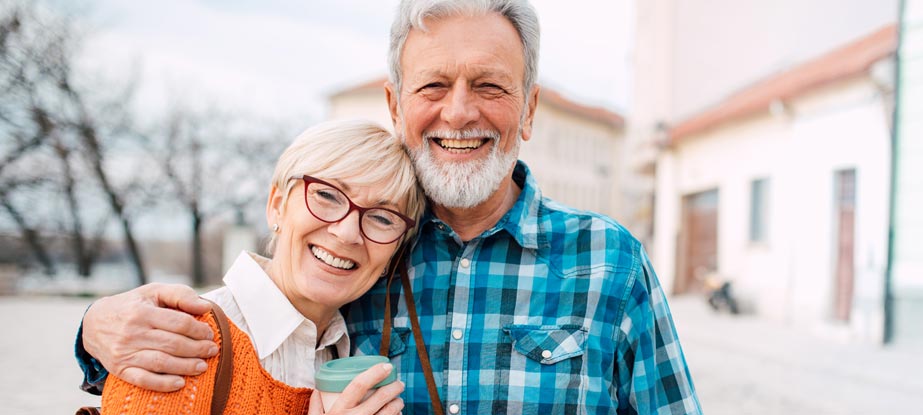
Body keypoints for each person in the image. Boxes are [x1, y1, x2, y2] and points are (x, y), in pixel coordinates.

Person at [75, 1, 702, 413]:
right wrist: (94, 333)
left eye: (489, 85)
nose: (459, 112)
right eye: (433, 85)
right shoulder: (356, 259)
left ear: (529, 109)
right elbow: (230, 353)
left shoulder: (610, 262)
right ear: (396, 105)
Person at [92, 120, 421, 415]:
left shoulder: (344, 351)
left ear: (393, 253)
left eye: (382, 218)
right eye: (327, 195)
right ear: (277, 206)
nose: (347, 232)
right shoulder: (180, 339)